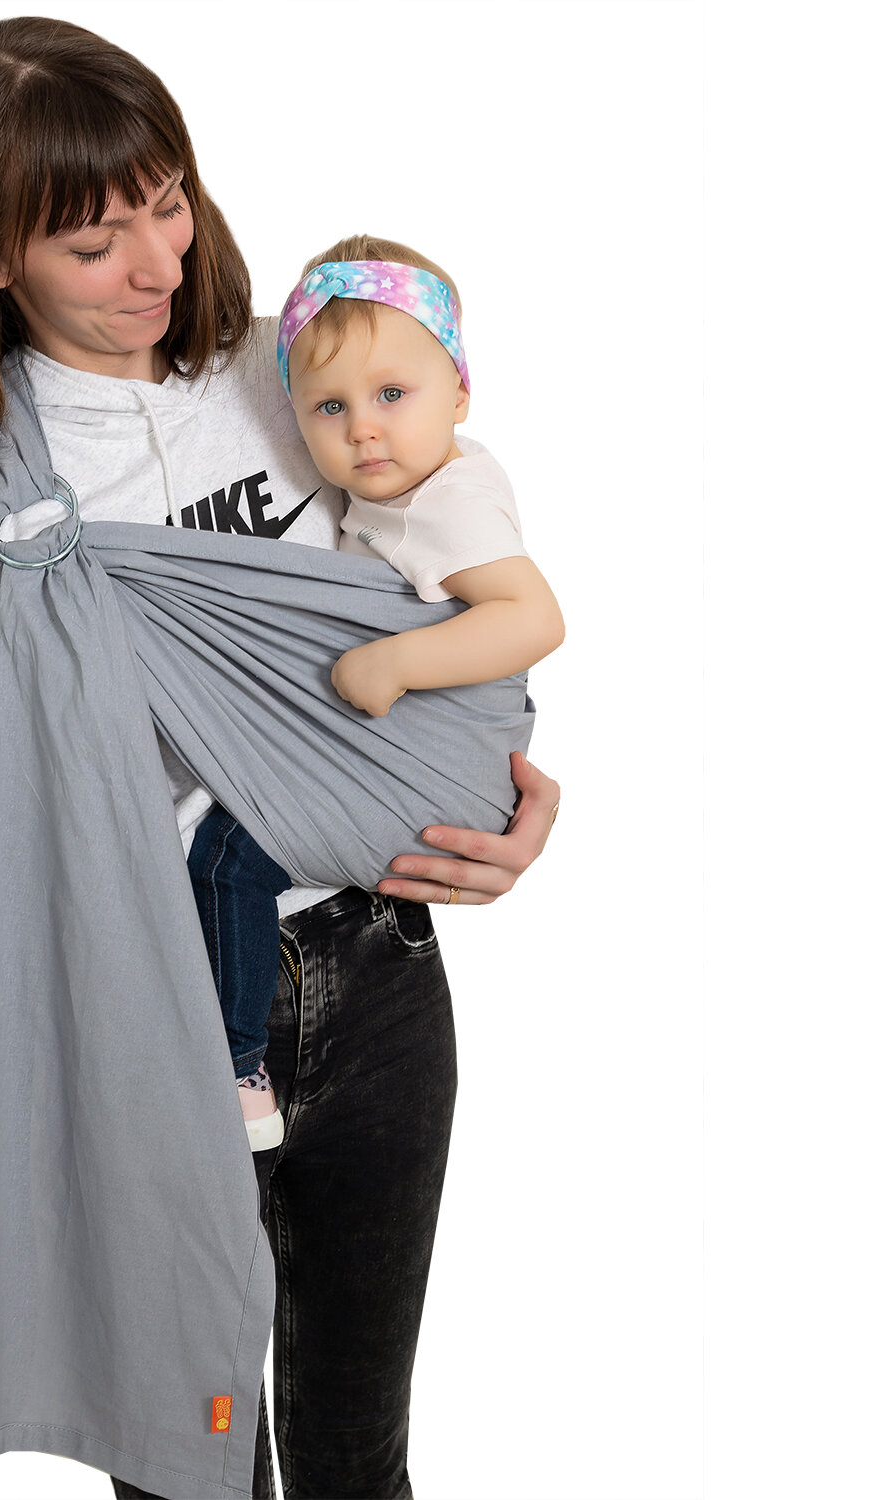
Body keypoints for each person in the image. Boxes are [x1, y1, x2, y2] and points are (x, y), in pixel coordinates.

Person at [0, 17, 561, 1499]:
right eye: (93, 242)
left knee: (360, 1462)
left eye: (168, 203)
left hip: (380, 971)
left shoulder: (301, 376)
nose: (157, 265)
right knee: (187, 1472)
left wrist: (499, 788)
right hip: (140, 1018)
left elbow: (450, 592)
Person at [191, 234, 565, 1153]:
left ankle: (234, 1068)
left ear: (460, 392)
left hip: (420, 779)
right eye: (330, 406)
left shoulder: (447, 501)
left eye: (393, 395)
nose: (363, 428)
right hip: (397, 783)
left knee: (228, 857)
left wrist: (394, 662)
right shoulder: (412, 486)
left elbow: (533, 618)